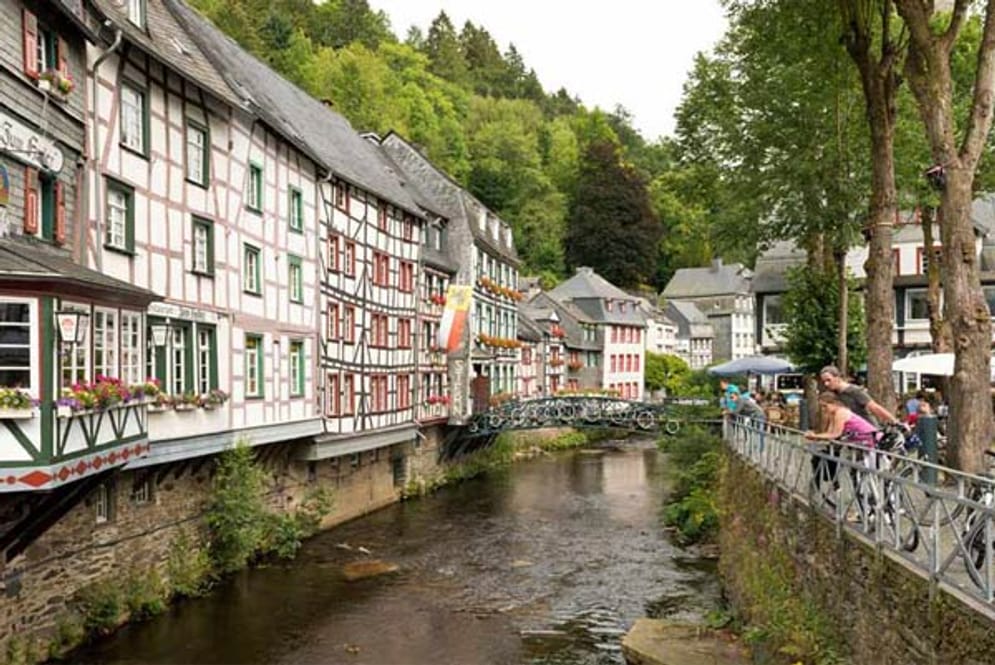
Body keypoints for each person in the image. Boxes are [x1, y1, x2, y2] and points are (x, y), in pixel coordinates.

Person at [818, 365, 902, 427]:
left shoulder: (855, 391)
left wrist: (894, 421)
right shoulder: (835, 394)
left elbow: (874, 407)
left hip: (867, 428)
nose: (826, 384)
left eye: (829, 380)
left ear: (837, 377)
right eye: (824, 381)